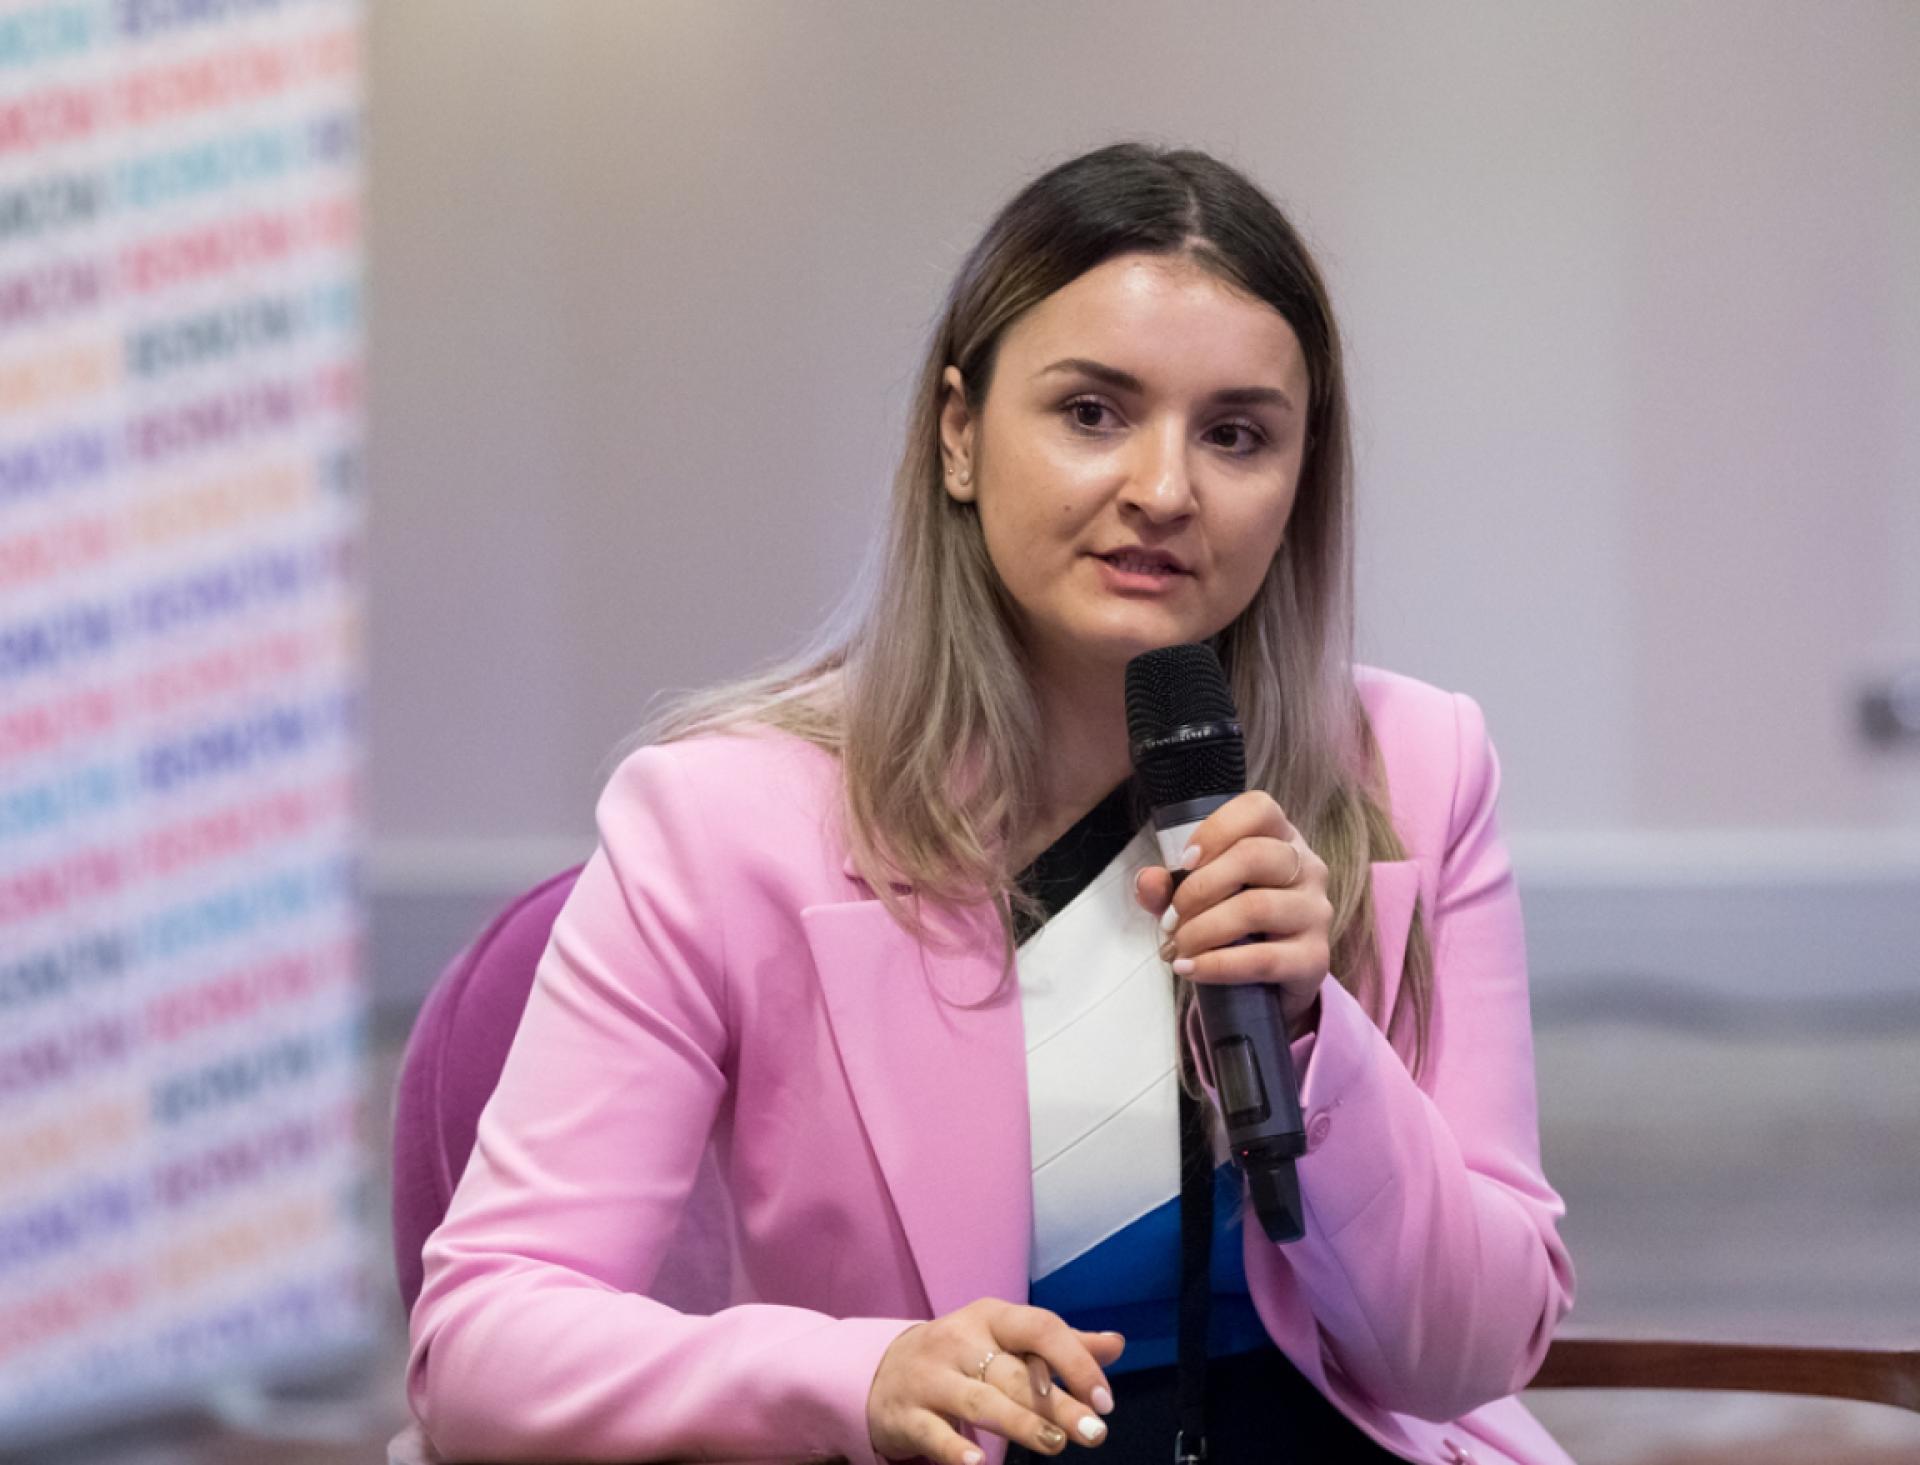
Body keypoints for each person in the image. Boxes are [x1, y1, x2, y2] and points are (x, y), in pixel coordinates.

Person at [405, 141, 1577, 1465]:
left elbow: (1479, 1347)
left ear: (1302, 475)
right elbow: (482, 1348)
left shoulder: (1414, 768)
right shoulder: (722, 818)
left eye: (1236, 433)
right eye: (1092, 412)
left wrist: (1315, 1034)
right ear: (959, 434)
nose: (1163, 489)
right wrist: (862, 1371)